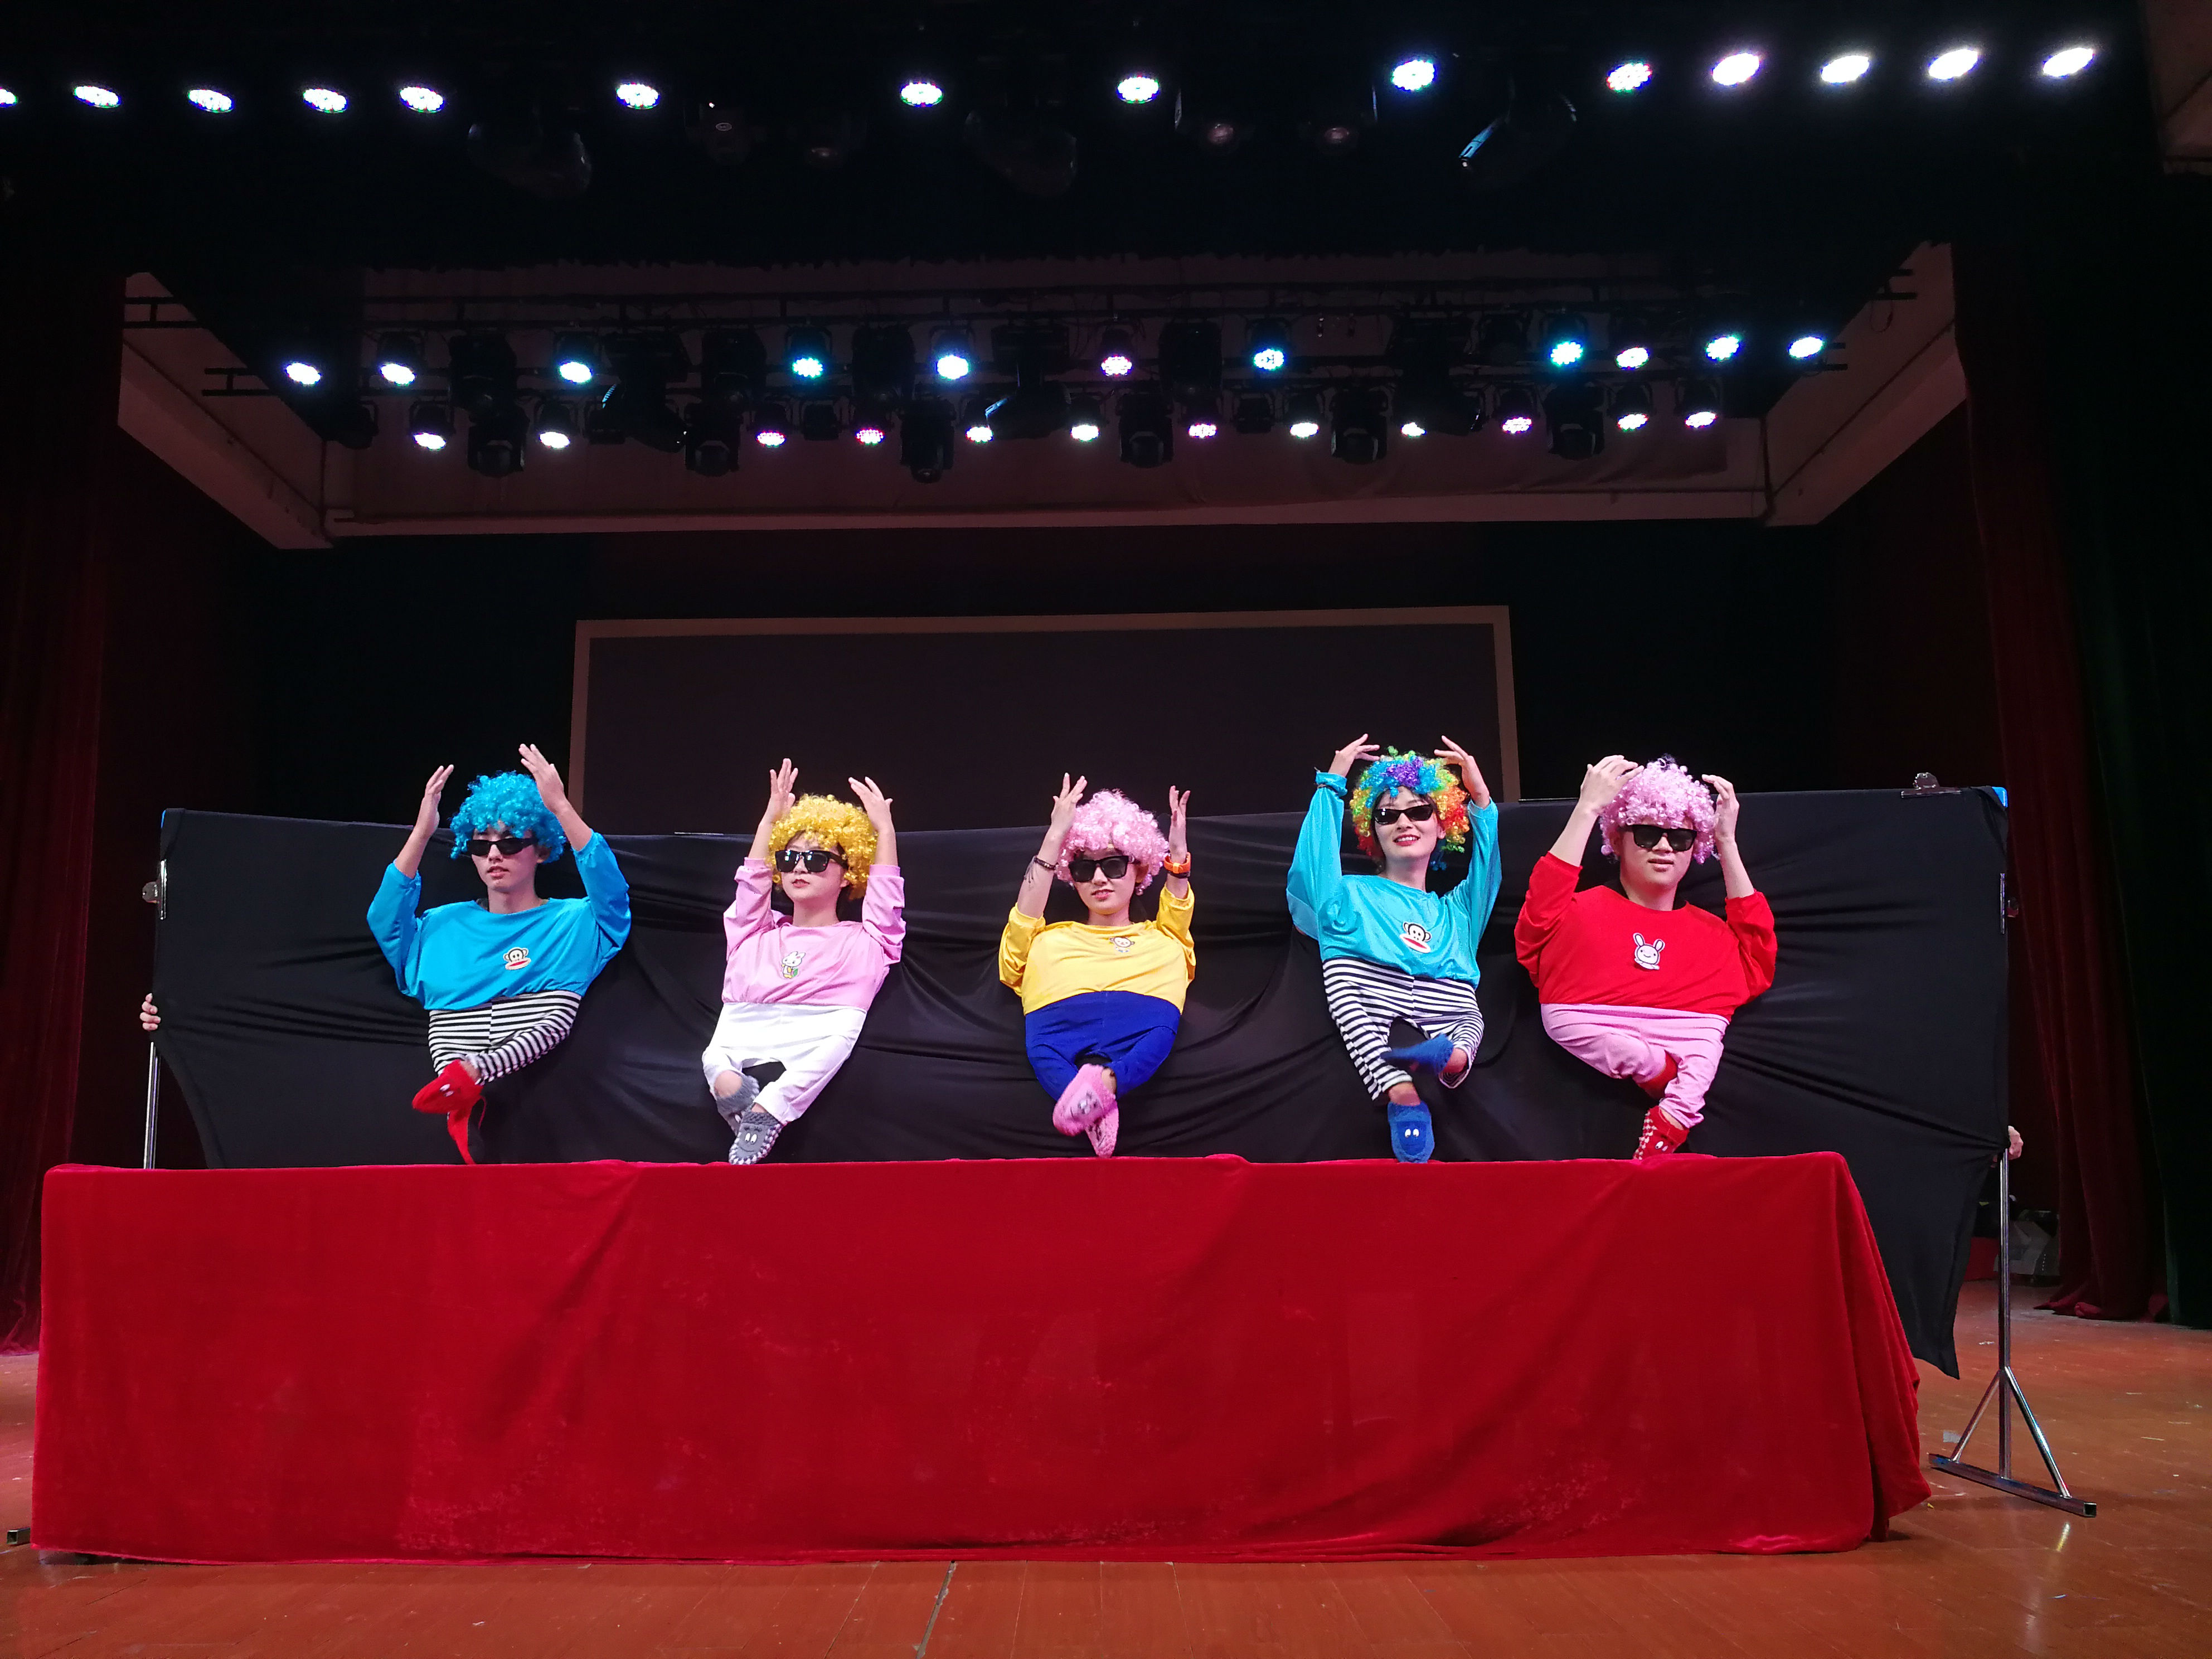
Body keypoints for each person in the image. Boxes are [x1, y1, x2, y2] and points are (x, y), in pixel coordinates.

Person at [365, 744, 631, 1162]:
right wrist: (421, 834)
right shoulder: (441, 925)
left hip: (541, 1075)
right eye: (480, 845)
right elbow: (385, 920)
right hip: (455, 1037)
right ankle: (464, 1100)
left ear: (541, 849)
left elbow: (611, 893)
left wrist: (561, 808)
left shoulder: (574, 921)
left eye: (509, 844)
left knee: (550, 1023)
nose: (493, 855)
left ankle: (472, 1080)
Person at [1513, 755, 1776, 1161]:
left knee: (1704, 1055)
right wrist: (1587, 810)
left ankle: (1673, 1120)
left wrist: (1726, 844)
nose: (1664, 847)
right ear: (1618, 840)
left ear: (1696, 847)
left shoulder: (1713, 935)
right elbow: (1536, 921)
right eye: (1648, 835)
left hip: (1689, 1027)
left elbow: (1758, 961)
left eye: (1681, 838)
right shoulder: (1577, 912)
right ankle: (1658, 1073)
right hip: (1585, 1021)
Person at [1287, 735, 1501, 1164]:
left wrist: (1481, 799)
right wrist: (1331, 784)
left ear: (1443, 825)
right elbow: (1314, 863)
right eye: (1387, 815)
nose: (1404, 823)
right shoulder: (1349, 893)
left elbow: (1488, 867)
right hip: (1368, 985)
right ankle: (1401, 1093)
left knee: (1470, 1018)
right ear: (1375, 832)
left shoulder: (1458, 911)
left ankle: (1452, 1060)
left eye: (1419, 811)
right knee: (1346, 998)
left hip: (1447, 989)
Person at [704, 761, 903, 1165]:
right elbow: (751, 883)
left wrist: (885, 832)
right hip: (746, 1017)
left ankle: (768, 1110)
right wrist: (768, 822)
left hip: (824, 1024)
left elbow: (887, 897)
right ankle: (737, 1100)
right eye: (789, 857)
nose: (798, 867)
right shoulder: (753, 933)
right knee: (714, 1062)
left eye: (816, 860)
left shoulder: (868, 940)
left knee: (828, 1053)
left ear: (848, 874)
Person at [999, 777, 1192, 1158]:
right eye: (1085, 869)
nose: (1099, 879)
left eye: (1114, 865)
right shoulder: (1048, 938)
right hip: (1056, 1020)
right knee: (1042, 1051)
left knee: (1159, 1036)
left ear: (1139, 870)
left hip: (1145, 1013)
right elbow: (1022, 926)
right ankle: (1098, 1105)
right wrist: (1054, 837)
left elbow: (1177, 912)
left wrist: (1178, 856)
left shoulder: (1162, 938)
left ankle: (1103, 1087)